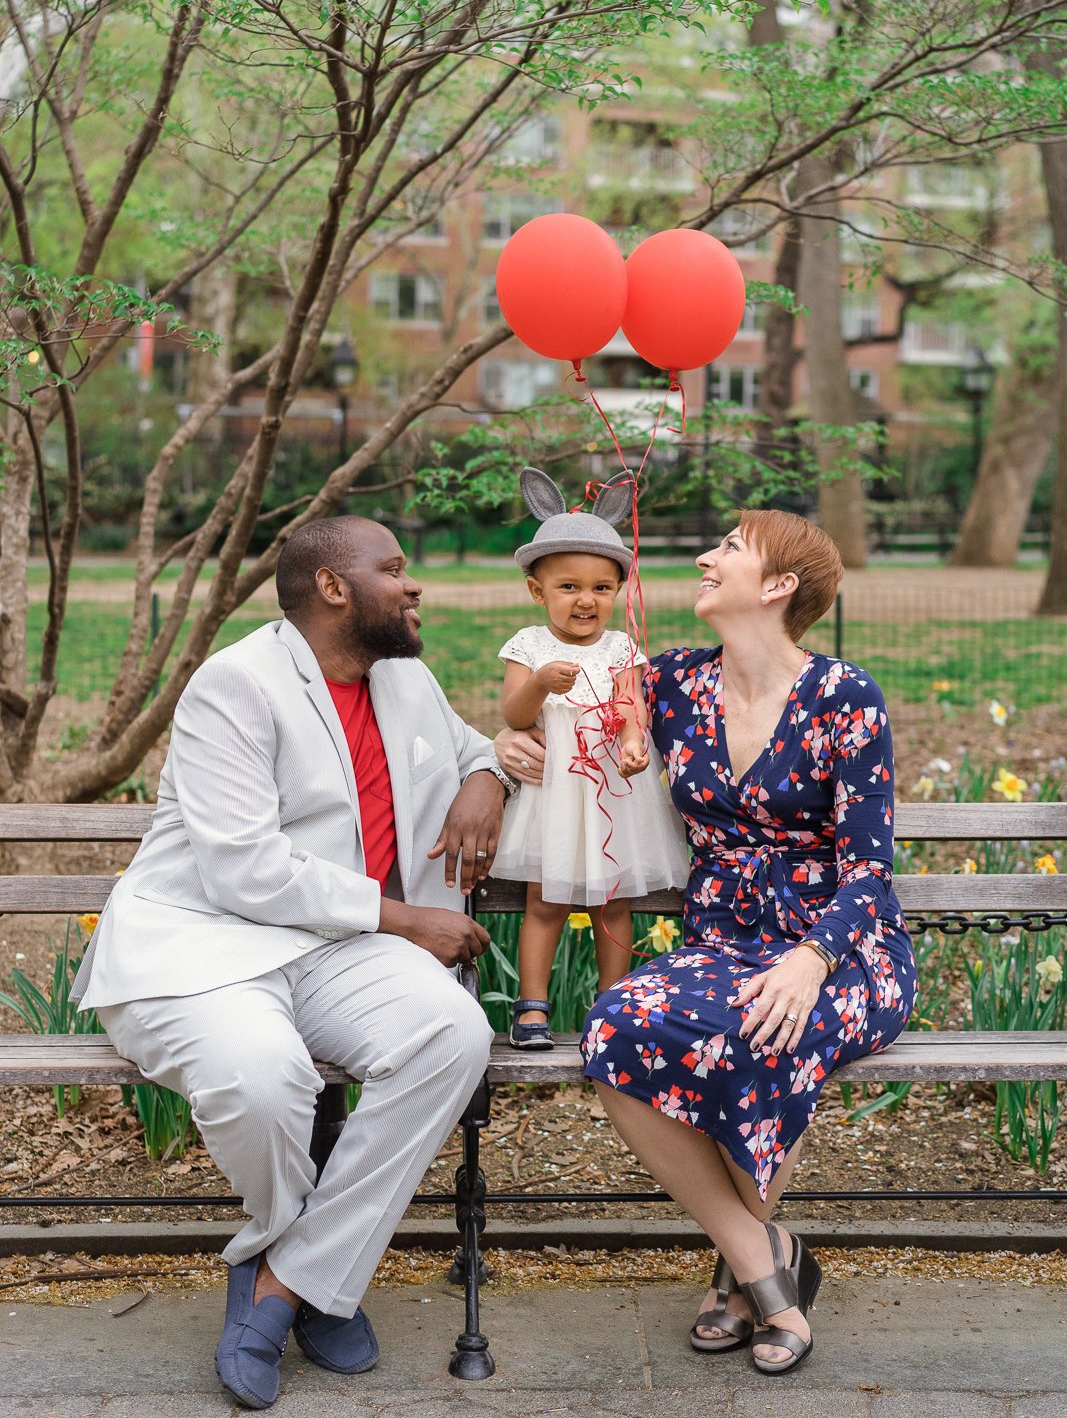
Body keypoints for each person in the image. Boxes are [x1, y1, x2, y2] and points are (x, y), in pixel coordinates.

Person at [71, 517, 513, 1411]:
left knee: (452, 1034)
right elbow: (241, 867)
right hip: (205, 947)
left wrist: (485, 781)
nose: (413, 584)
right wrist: (400, 917)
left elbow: (471, 748)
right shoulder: (235, 685)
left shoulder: (406, 680)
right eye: (393, 569)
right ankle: (305, 1266)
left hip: (335, 950)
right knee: (265, 1081)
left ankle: (283, 1285)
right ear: (333, 589)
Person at [571, 509, 916, 1377]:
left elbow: (869, 871)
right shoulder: (671, 681)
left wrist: (812, 958)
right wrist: (495, 753)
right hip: (720, 942)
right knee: (615, 1028)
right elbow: (561, 709)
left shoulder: (845, 696)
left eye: (727, 547)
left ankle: (737, 1281)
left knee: (769, 1030)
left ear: (777, 586)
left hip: (842, 947)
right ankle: (765, 1258)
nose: (702, 556)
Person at [494, 469, 688, 1050]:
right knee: (544, 899)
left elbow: (631, 705)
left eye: (602, 588)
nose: (586, 600)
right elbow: (513, 715)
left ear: (618, 592)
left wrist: (633, 741)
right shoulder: (529, 645)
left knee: (615, 897)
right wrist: (542, 686)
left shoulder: (622, 646)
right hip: (554, 793)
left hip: (613, 794)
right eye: (569, 587)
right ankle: (532, 1009)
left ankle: (612, 1004)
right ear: (538, 591)